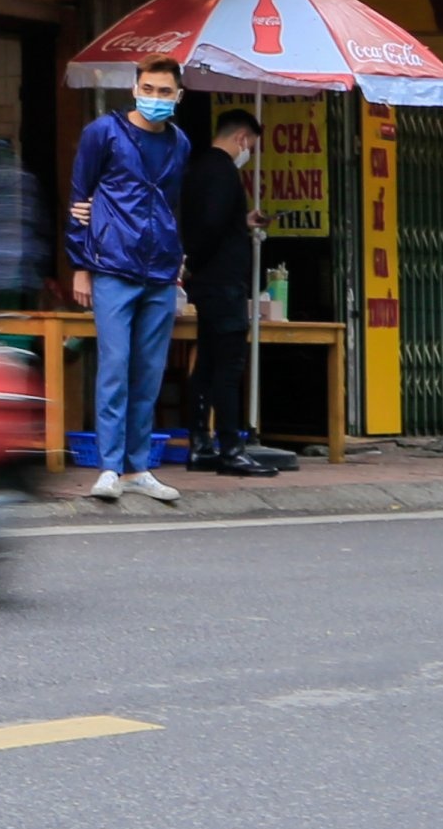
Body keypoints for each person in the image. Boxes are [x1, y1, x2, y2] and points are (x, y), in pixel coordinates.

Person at [67, 57, 191, 506]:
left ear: (178, 96)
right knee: (115, 367)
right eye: (148, 89)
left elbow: (172, 205)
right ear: (135, 88)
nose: (155, 98)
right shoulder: (103, 132)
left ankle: (138, 468)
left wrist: (178, 260)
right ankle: (109, 467)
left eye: (164, 92)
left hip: (160, 269)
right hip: (113, 264)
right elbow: (79, 197)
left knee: (149, 372)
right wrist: (80, 264)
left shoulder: (180, 142)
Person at [181, 108, 283, 476]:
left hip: (208, 284)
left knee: (207, 364)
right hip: (223, 283)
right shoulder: (223, 171)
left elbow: (211, 221)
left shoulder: (198, 167)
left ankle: (200, 444)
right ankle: (231, 448)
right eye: (250, 146)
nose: (248, 153)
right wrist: (195, 261)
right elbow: (209, 227)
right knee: (228, 365)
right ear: (241, 138)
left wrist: (242, 222)